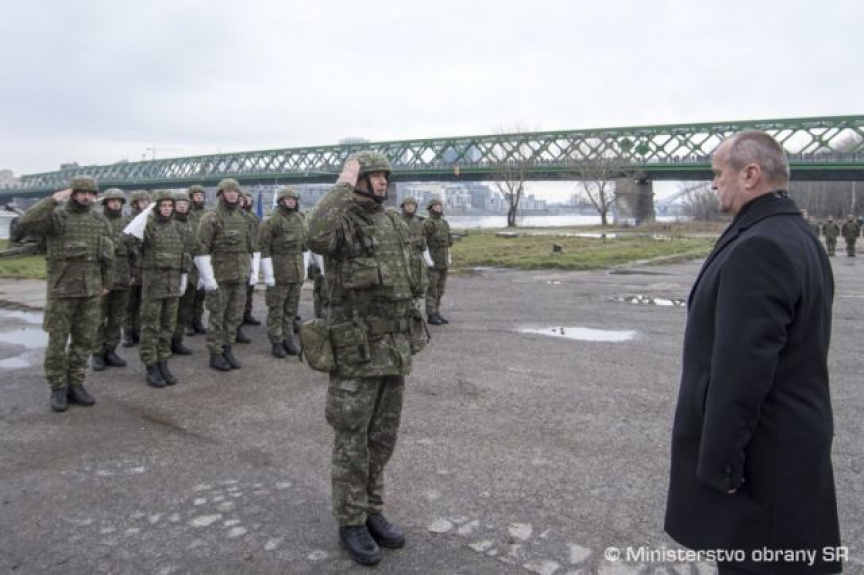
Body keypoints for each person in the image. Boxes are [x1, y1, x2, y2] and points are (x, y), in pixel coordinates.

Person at [665, 131, 841, 574]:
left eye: (717, 173)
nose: (713, 184)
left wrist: (721, 467)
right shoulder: (799, 237)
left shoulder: (759, 247)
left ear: (750, 174)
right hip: (794, 450)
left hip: (763, 466)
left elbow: (740, 373)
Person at [307, 152, 425, 566]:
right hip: (356, 353)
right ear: (355, 180)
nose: (381, 182)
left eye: (384, 176)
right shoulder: (342, 223)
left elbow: (411, 275)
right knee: (352, 439)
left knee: (381, 439)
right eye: (372, 176)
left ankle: (373, 509)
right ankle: (350, 521)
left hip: (392, 350)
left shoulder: (393, 221)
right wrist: (343, 184)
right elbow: (315, 235)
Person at [18, 176, 114, 412]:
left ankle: (76, 383)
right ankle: (58, 387)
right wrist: (52, 200)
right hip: (62, 291)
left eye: (91, 193)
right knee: (57, 342)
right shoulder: (57, 217)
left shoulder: (99, 220)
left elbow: (107, 254)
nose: (87, 197)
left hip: (90, 291)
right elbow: (26, 222)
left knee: (84, 341)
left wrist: (106, 282)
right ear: (73, 193)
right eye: (83, 192)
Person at [194, 178, 258, 371]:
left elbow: (251, 248)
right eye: (228, 191)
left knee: (235, 316)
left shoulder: (245, 218)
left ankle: (227, 348)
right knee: (217, 317)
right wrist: (208, 278)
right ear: (221, 194)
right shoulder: (211, 218)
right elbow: (200, 249)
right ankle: (215, 353)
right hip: (219, 278)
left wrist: (252, 271)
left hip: (240, 277)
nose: (232, 194)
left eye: (235, 191)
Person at [133, 190, 189, 387]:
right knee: (150, 327)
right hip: (154, 286)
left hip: (172, 285)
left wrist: (183, 277)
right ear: (156, 207)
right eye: (163, 205)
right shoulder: (148, 226)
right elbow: (127, 241)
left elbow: (185, 254)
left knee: (167, 327)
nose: (167, 209)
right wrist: (143, 215)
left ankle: (163, 362)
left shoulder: (178, 227)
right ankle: (151, 365)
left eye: (170, 206)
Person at [258, 186, 307, 358]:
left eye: (294, 199)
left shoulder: (300, 219)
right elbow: (263, 248)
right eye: (288, 199)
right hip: (279, 272)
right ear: (281, 201)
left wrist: (304, 270)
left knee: (291, 310)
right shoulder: (272, 222)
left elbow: (304, 246)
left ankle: (288, 339)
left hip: (296, 271)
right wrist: (268, 274)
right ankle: (276, 342)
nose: (291, 202)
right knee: (276, 310)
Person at [92, 188, 132, 371]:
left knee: (117, 317)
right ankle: (97, 353)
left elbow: (134, 249)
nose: (116, 203)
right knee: (99, 318)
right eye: (112, 201)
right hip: (102, 277)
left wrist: (134, 272)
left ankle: (111, 350)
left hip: (123, 275)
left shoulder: (127, 222)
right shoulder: (98, 221)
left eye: (119, 201)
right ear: (106, 203)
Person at [123, 190, 151, 347]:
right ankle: (128, 332)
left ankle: (138, 331)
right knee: (129, 303)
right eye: (142, 202)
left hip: (147, 266)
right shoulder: (128, 221)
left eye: (147, 201)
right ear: (134, 204)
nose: (145, 204)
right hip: (131, 267)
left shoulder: (151, 220)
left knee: (143, 303)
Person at [170, 191, 196, 356]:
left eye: (185, 204)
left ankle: (177, 340)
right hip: (173, 272)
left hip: (190, 271)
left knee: (184, 309)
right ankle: (165, 342)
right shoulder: (169, 224)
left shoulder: (191, 224)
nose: (182, 206)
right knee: (170, 310)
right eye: (178, 204)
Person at [423, 197, 453, 325]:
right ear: (430, 208)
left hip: (443, 261)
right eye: (436, 206)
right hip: (433, 262)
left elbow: (448, 243)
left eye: (440, 206)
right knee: (432, 290)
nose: (438, 208)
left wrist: (449, 257)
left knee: (440, 289)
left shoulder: (444, 223)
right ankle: (431, 314)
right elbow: (423, 243)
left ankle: (437, 311)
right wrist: (428, 260)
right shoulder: (427, 223)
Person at [236, 190, 260, 343]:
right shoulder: (237, 217)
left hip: (251, 253)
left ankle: (246, 314)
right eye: (245, 199)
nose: (247, 202)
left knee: (248, 289)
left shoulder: (254, 218)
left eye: (249, 200)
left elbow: (257, 235)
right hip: (234, 259)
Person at [399, 196, 429, 314]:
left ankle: (415, 312)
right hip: (403, 259)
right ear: (403, 207)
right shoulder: (398, 221)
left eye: (413, 205)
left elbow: (423, 240)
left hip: (417, 259)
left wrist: (422, 243)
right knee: (404, 285)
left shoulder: (419, 222)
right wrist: (415, 241)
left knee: (418, 285)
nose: (410, 207)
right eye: (408, 205)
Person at [186, 184, 208, 335]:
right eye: (196, 195)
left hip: (204, 255)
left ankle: (198, 321)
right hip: (191, 257)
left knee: (201, 293)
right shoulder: (187, 214)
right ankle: (188, 323)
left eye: (201, 195)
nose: (199, 198)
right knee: (190, 292)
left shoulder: (208, 213)